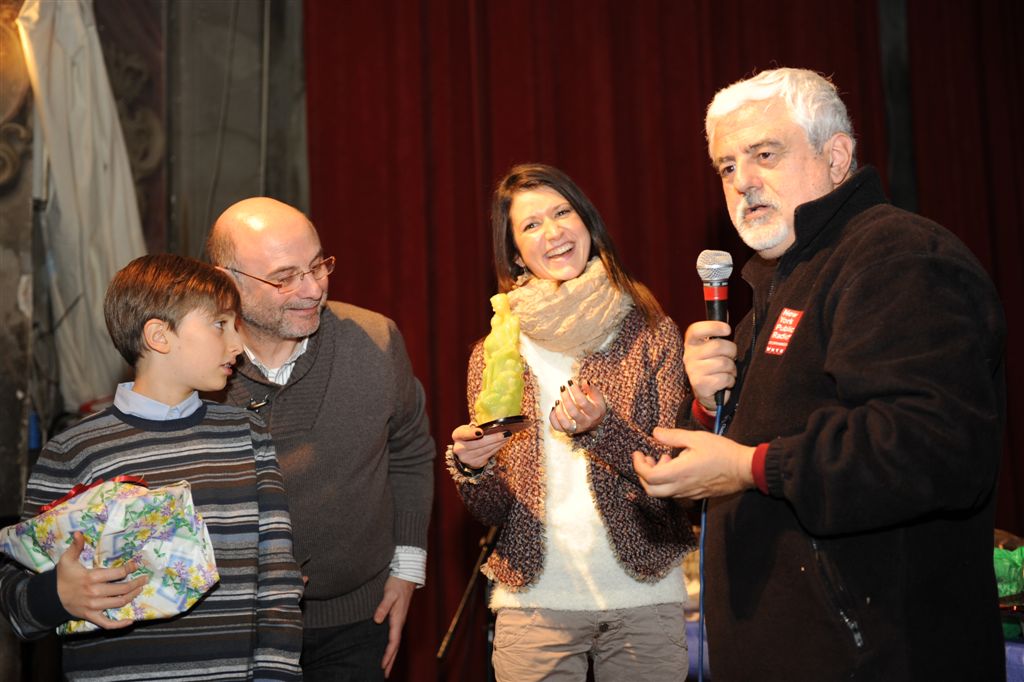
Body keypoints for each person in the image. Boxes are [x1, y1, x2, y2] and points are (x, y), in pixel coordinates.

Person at [633, 67, 1006, 680]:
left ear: (837, 157)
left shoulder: (900, 258)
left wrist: (748, 466)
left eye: (765, 154)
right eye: (727, 167)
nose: (743, 183)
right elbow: (745, 453)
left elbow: (929, 447)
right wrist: (704, 408)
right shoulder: (772, 291)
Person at [0, 254, 304, 680]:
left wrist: (276, 673)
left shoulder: (247, 434)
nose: (238, 345)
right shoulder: (72, 450)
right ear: (160, 336)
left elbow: (279, 580)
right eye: (221, 325)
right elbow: (14, 596)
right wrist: (57, 595)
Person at [448, 163, 696, 681]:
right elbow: (494, 509)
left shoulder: (652, 332)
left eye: (562, 213)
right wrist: (475, 469)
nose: (554, 232)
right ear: (516, 252)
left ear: (588, 222)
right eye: (532, 225)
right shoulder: (495, 352)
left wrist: (602, 430)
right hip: (535, 601)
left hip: (644, 595)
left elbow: (678, 476)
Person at [205, 197, 435, 681]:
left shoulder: (375, 340)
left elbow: (411, 449)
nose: (313, 289)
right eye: (284, 276)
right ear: (227, 281)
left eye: (318, 265)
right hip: (229, 627)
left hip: (358, 619)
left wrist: (407, 569)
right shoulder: (193, 365)